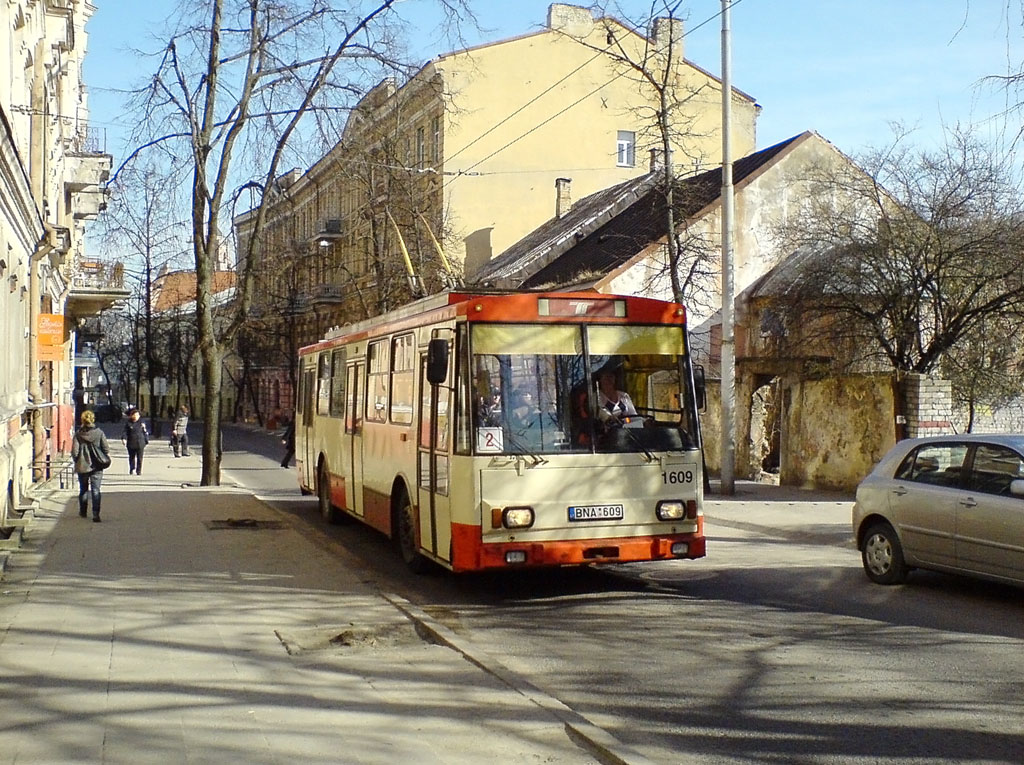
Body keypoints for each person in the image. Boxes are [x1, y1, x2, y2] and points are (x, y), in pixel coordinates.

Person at [70, 410, 110, 523]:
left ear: (82, 420)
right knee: (96, 490)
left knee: (83, 490)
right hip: (97, 466)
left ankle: (83, 511)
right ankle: (96, 514)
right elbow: (106, 449)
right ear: (93, 419)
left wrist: (78, 461)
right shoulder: (99, 433)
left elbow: (75, 452)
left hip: (82, 466)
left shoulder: (78, 434)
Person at [121, 407, 149, 475]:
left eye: (137, 415)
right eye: (135, 415)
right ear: (131, 415)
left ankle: (138, 470)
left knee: (140, 458)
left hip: (140, 442)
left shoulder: (142, 422)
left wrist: (146, 440)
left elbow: (145, 432)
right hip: (131, 442)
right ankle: (132, 468)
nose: (136, 416)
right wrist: (124, 439)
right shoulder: (128, 423)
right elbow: (125, 432)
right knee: (131, 457)